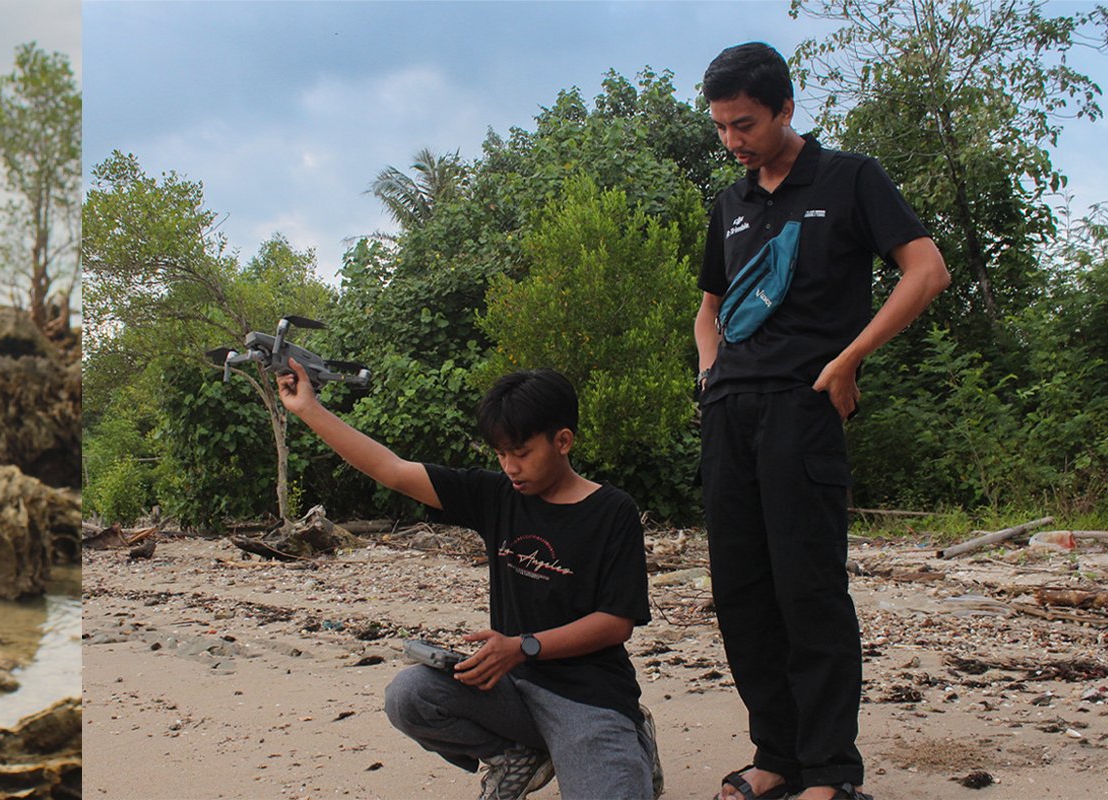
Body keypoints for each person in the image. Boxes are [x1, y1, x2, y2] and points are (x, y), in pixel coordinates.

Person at [695, 42, 950, 800]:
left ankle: (832, 774)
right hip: (729, 416)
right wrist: (709, 372)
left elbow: (926, 270)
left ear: (784, 109)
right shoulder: (731, 202)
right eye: (720, 128)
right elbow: (708, 308)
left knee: (809, 592)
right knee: (742, 593)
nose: (732, 141)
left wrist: (848, 360)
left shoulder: (849, 178)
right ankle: (776, 755)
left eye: (744, 124)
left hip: (803, 410)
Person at [278, 364, 657, 800]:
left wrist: (521, 646)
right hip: (513, 689)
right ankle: (518, 754)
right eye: (500, 453)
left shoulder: (613, 511)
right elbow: (393, 470)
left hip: (589, 698)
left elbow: (616, 623)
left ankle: (634, 737)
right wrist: (308, 408)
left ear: (563, 441)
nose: (510, 467)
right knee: (410, 694)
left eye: (521, 452)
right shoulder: (496, 495)